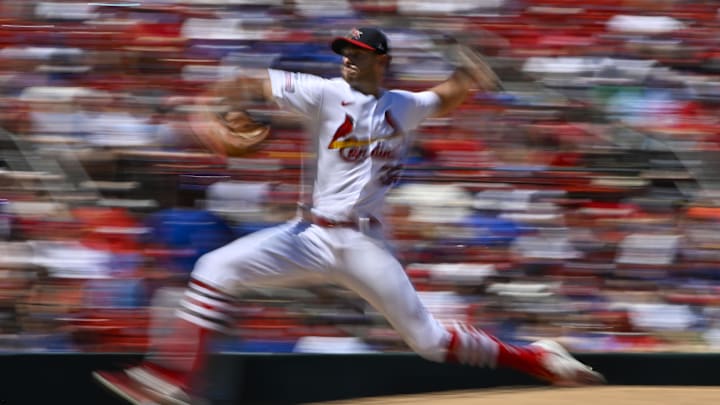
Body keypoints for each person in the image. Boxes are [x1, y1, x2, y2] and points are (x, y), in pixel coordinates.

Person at [93, 27, 604, 405]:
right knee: (213, 269)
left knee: (427, 341)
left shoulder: (404, 105)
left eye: (358, 54)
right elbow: (246, 82)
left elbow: (443, 98)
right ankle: (172, 381)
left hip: (365, 245)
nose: (348, 61)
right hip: (309, 234)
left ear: (381, 61)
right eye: (345, 53)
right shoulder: (324, 93)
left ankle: (537, 357)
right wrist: (213, 112)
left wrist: (469, 76)